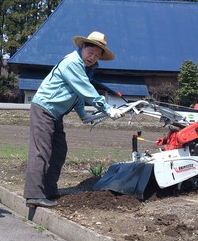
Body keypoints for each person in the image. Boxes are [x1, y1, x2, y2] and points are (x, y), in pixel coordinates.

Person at [23, 31, 123, 208]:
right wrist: (107, 108)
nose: (92, 57)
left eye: (96, 55)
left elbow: (76, 95)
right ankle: (34, 195)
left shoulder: (82, 68)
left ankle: (49, 190)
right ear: (82, 47)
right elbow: (85, 90)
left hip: (55, 114)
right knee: (42, 152)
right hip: (44, 109)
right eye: (90, 52)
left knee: (59, 151)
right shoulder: (72, 63)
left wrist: (83, 115)